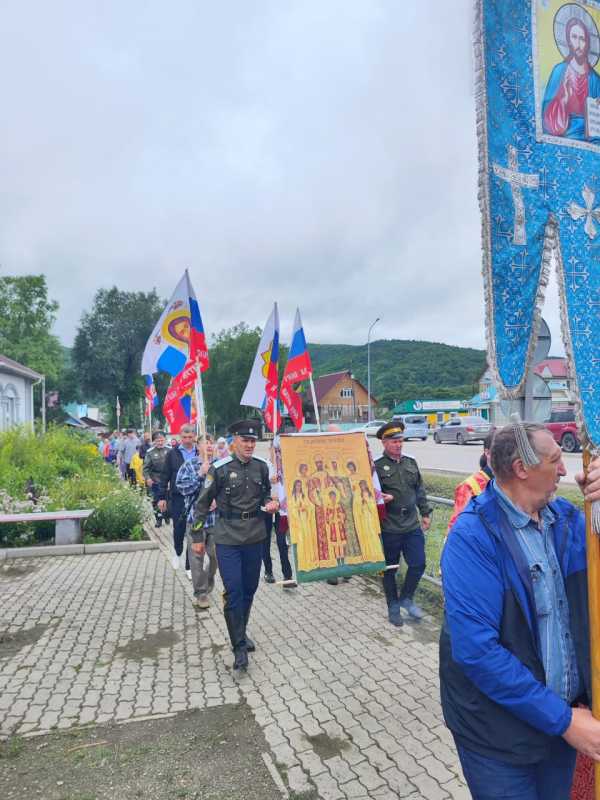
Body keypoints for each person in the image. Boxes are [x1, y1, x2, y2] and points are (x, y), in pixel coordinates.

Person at [440, 421, 600, 800]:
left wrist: (597, 510)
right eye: (556, 460)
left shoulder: (566, 520)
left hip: (557, 727)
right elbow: (477, 652)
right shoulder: (473, 537)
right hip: (497, 736)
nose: (565, 470)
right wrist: (564, 721)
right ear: (521, 469)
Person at [190, 419, 278, 671]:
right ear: (234, 442)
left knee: (249, 590)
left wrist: (271, 504)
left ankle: (241, 630)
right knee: (234, 592)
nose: (250, 444)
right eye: (245, 440)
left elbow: (264, 496)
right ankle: (238, 646)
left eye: (253, 440)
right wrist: (197, 538)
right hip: (228, 539)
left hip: (255, 537)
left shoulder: (261, 468)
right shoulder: (218, 469)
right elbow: (202, 505)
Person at [374, 420, 432, 626]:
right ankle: (393, 606)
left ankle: (406, 598)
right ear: (384, 443)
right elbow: (369, 494)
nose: (398, 445)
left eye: (400, 441)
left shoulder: (410, 463)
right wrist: (380, 498)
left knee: (418, 563)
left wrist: (425, 513)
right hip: (389, 525)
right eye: (393, 441)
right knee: (390, 568)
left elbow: (419, 489)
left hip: (411, 524)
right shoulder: (376, 467)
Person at [176, 435, 218, 610]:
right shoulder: (189, 465)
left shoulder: (220, 465)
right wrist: (200, 474)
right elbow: (183, 488)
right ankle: (200, 593)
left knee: (216, 557)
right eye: (205, 443)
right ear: (198, 446)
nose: (209, 446)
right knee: (196, 558)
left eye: (211, 442)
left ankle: (208, 582)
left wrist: (218, 501)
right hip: (196, 520)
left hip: (216, 520)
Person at [542, 15, 600, 140]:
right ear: (568, 40)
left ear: (588, 43)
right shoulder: (559, 71)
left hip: (592, 139)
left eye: (582, 39)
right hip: (564, 132)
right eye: (574, 37)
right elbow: (546, 119)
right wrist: (562, 100)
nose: (578, 44)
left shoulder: (595, 80)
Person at [158, 424, 199, 575]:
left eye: (190, 437)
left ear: (194, 436)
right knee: (179, 528)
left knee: (193, 532)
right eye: (184, 437)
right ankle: (177, 552)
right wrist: (161, 497)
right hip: (178, 497)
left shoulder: (199, 452)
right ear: (180, 437)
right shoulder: (172, 454)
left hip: (195, 497)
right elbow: (165, 476)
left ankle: (189, 565)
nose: (187, 440)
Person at [446, 432, 494, 533]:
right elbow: (457, 527)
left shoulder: (514, 483)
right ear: (487, 452)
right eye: (502, 451)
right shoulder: (469, 486)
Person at [143, 430, 170, 527]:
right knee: (155, 500)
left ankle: (166, 515)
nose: (160, 443)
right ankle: (158, 519)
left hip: (167, 480)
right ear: (154, 441)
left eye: (162, 440)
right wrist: (148, 478)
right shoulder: (150, 452)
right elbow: (145, 468)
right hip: (155, 480)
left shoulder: (170, 450)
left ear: (165, 440)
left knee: (167, 500)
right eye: (157, 441)